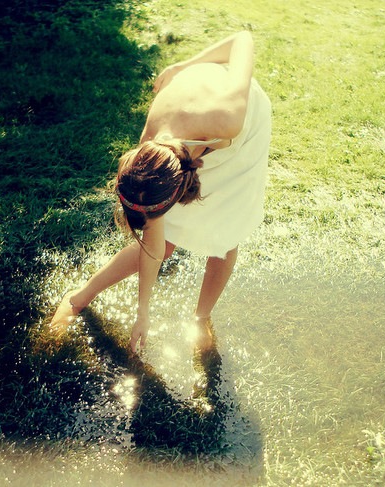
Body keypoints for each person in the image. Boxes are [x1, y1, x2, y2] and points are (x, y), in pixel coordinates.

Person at [50, 31, 272, 353]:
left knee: (226, 234)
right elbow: (153, 243)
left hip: (241, 124)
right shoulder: (147, 154)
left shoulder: (227, 117)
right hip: (195, 128)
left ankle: (201, 318)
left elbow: (243, 40)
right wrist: (143, 311)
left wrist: (185, 64)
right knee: (165, 241)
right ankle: (79, 297)